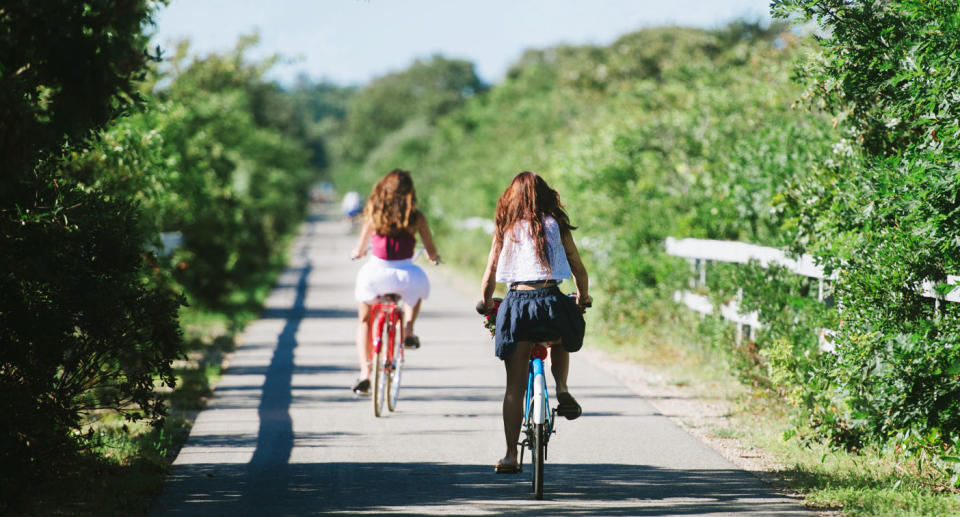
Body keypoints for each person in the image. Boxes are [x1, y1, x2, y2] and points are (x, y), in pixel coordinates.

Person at [477, 171, 591, 474]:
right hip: (551, 299)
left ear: (511, 197)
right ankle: (562, 388)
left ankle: (511, 455)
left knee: (514, 388)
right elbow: (578, 266)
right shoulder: (557, 224)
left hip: (517, 303)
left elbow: (490, 270)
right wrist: (583, 296)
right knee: (562, 330)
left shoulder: (506, 227)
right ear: (545, 196)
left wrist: (485, 301)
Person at [350, 169, 441, 395]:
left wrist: (357, 253)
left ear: (384, 189)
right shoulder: (416, 217)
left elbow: (360, 248)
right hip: (406, 277)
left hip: (375, 276)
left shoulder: (374, 213)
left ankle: (365, 374)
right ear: (410, 191)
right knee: (418, 289)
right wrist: (434, 258)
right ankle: (408, 329)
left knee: (364, 320)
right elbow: (430, 250)